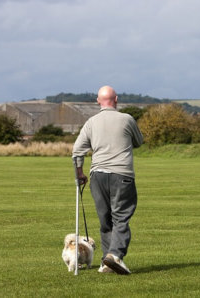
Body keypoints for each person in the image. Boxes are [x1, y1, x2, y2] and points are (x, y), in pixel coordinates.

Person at [72, 85, 143, 275]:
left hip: (97, 175)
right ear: (116, 99)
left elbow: (77, 150)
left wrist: (79, 172)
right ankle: (115, 255)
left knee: (105, 220)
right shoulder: (127, 119)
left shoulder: (91, 122)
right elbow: (138, 141)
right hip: (122, 174)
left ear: (98, 101)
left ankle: (107, 261)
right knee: (121, 217)